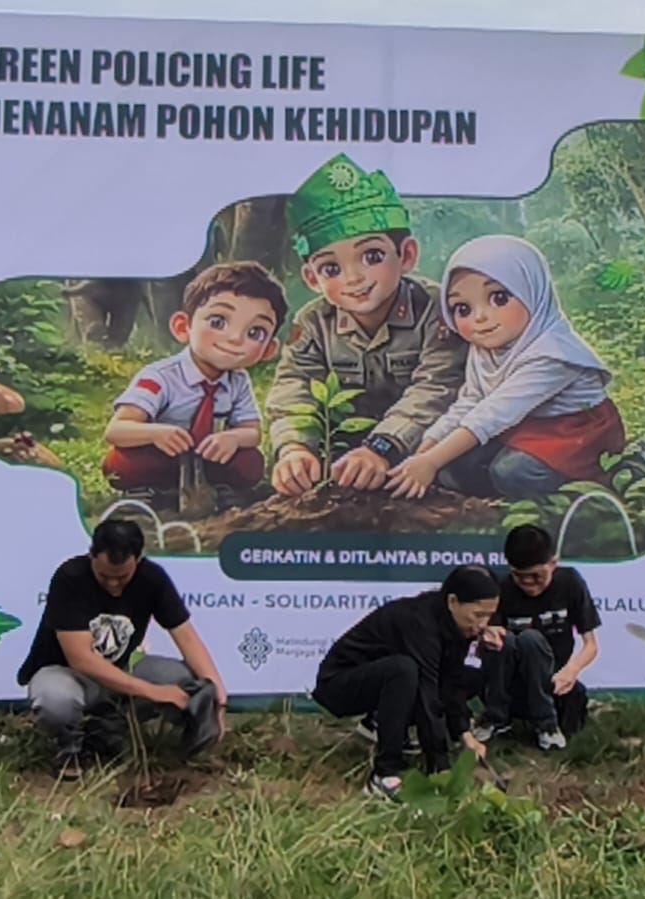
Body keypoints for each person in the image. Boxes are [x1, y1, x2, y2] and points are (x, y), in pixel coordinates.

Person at [266, 152, 467, 497]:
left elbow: (437, 387)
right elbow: (293, 386)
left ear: (406, 256)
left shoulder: (436, 308)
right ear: (312, 278)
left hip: (423, 448)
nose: (354, 277)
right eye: (331, 269)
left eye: (371, 256)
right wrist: (294, 448)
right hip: (344, 456)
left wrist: (383, 447)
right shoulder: (313, 322)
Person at [388, 235, 626, 501]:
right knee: (451, 468)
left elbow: (493, 413)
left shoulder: (553, 354)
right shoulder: (484, 348)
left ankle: (604, 485)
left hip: (574, 433)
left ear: (531, 290)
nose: (479, 317)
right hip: (520, 427)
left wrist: (430, 462)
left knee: (512, 473)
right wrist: (427, 448)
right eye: (462, 308)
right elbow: (471, 401)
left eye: (499, 298)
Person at [18, 520, 227, 779]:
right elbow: (81, 659)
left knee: (187, 681)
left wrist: (217, 695)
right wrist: (155, 692)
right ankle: (69, 749)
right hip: (67, 672)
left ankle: (112, 730)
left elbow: (187, 638)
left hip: (121, 667)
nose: (114, 585)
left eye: (123, 577)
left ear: (138, 560)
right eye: (105, 576)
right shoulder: (70, 578)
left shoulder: (152, 578)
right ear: (91, 555)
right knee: (55, 699)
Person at [102, 262, 288, 498]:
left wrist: (232, 438)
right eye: (218, 322)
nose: (234, 338)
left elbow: (252, 432)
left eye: (255, 333)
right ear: (183, 327)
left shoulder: (238, 380)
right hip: (162, 454)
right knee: (122, 463)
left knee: (250, 462)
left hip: (206, 455)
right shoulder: (160, 377)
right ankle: (149, 492)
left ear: (268, 349)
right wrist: (155, 434)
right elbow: (116, 430)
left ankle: (219, 490)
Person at [313, 565, 499, 799]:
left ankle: (380, 723)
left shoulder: (458, 627)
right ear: (453, 602)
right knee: (405, 671)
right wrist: (440, 766)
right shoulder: (419, 622)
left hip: (381, 680)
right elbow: (428, 692)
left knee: (468, 674)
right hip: (339, 684)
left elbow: (451, 685)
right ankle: (384, 774)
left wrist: (465, 735)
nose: (483, 624)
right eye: (478, 615)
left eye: (489, 616)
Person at [471, 524, 601, 750]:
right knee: (511, 639)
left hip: (552, 678)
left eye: (536, 576)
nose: (528, 583)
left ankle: (546, 725)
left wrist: (572, 670)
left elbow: (591, 645)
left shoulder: (570, 583)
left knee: (531, 639)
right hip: (511, 679)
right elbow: (488, 645)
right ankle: (496, 717)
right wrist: (485, 634)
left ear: (553, 563)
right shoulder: (501, 589)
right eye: (520, 576)